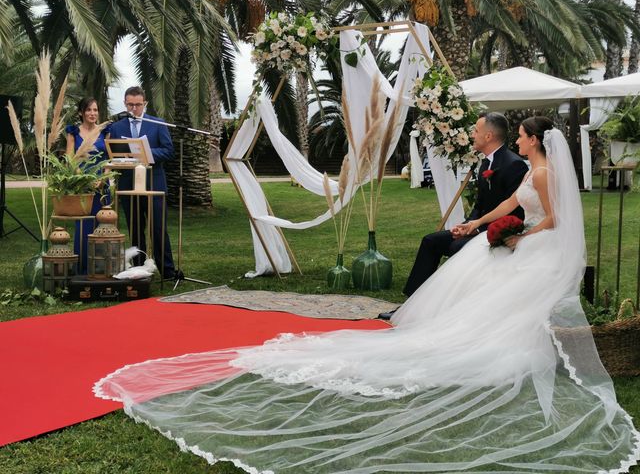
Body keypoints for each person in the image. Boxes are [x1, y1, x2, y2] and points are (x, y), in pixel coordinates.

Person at [94, 118, 640, 473]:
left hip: (537, 247)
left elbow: (556, 219)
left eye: (521, 134)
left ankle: (480, 335)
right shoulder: (530, 169)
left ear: (531, 140)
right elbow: (505, 207)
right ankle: (429, 315)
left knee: (505, 307)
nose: (519, 139)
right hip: (512, 238)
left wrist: (521, 235)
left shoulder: (539, 173)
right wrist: (481, 223)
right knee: (471, 283)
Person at [402, 112, 528, 298]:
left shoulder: (513, 165)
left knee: (457, 247)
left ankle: (449, 303)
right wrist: (467, 225)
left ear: (488, 136)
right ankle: (412, 300)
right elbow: (480, 204)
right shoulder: (486, 163)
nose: (471, 135)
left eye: (475, 130)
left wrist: (476, 229)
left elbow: (514, 211)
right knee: (431, 241)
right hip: (479, 227)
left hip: (500, 232)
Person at [108, 86, 175, 279]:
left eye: (138, 105)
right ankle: (139, 271)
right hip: (128, 185)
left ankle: (168, 271)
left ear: (144, 103)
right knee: (135, 229)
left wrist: (146, 153)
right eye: (130, 105)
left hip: (154, 183)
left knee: (158, 229)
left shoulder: (157, 123)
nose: (134, 109)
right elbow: (113, 153)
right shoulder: (117, 127)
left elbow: (168, 151)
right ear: (125, 103)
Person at [65, 97, 111, 274]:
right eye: (89, 110)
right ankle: (82, 269)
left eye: (95, 110)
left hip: (101, 185)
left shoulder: (105, 131)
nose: (93, 113)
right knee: (83, 226)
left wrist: (104, 179)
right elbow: (70, 159)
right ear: (81, 112)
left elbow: (109, 158)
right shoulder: (73, 132)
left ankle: (101, 268)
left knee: (103, 225)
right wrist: (83, 179)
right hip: (82, 185)